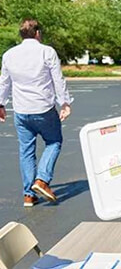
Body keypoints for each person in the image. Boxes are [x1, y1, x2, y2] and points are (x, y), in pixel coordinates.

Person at [0, 19, 72, 207]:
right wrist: (64, 102)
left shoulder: (9, 55)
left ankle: (28, 195)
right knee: (54, 141)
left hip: (21, 111)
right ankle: (41, 180)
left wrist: (0, 104)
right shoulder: (46, 52)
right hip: (43, 109)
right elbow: (58, 79)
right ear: (37, 33)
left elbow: (4, 82)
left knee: (26, 150)